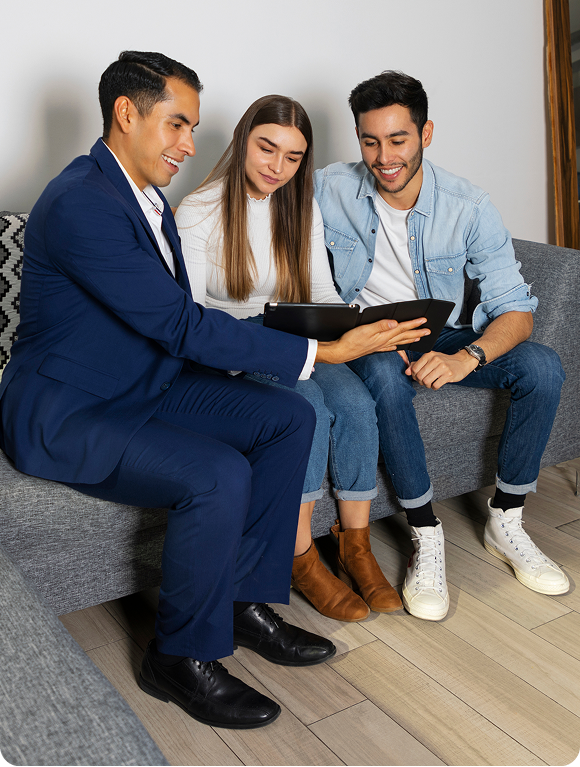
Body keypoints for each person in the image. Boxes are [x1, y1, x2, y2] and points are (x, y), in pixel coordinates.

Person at [0, 52, 426, 731]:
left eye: (193, 128)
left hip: (144, 383)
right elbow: (179, 323)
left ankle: (243, 603)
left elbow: (167, 327)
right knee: (218, 471)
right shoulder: (82, 200)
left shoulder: (141, 192)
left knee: (289, 417)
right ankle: (178, 657)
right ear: (126, 113)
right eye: (176, 125)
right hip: (73, 411)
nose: (189, 146)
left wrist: (318, 348)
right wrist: (321, 349)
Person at [314, 70, 569, 622]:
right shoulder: (328, 187)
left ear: (426, 134)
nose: (384, 156)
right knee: (382, 374)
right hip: (369, 335)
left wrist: (464, 357)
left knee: (543, 368)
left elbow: (517, 310)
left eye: (398, 139)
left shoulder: (469, 206)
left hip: (445, 331)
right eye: (370, 140)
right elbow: (256, 200)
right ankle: (425, 533)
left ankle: (507, 520)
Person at [176, 95, 419, 622]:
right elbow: (191, 319)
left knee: (355, 403)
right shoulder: (197, 212)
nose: (277, 168)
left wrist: (358, 324)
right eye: (267, 148)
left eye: (292, 158)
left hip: (296, 335)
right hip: (238, 345)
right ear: (243, 140)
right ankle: (300, 556)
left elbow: (323, 292)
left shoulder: (298, 205)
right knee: (305, 406)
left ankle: (356, 546)